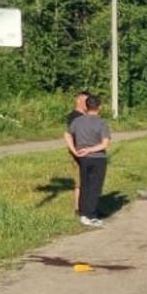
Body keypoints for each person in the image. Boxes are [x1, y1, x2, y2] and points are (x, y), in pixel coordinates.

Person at [65, 95, 111, 227]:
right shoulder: (101, 123)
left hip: (82, 158)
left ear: (86, 106)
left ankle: (82, 212)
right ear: (99, 107)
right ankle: (91, 215)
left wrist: (74, 150)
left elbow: (67, 134)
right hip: (97, 158)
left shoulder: (77, 121)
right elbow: (104, 144)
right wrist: (90, 150)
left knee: (84, 185)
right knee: (95, 187)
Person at [65, 90, 90, 214]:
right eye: (85, 101)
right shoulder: (74, 116)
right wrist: (75, 151)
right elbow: (71, 135)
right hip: (79, 152)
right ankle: (78, 208)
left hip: (89, 152)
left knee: (89, 180)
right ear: (78, 101)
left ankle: (88, 206)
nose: (88, 104)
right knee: (79, 181)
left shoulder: (87, 116)